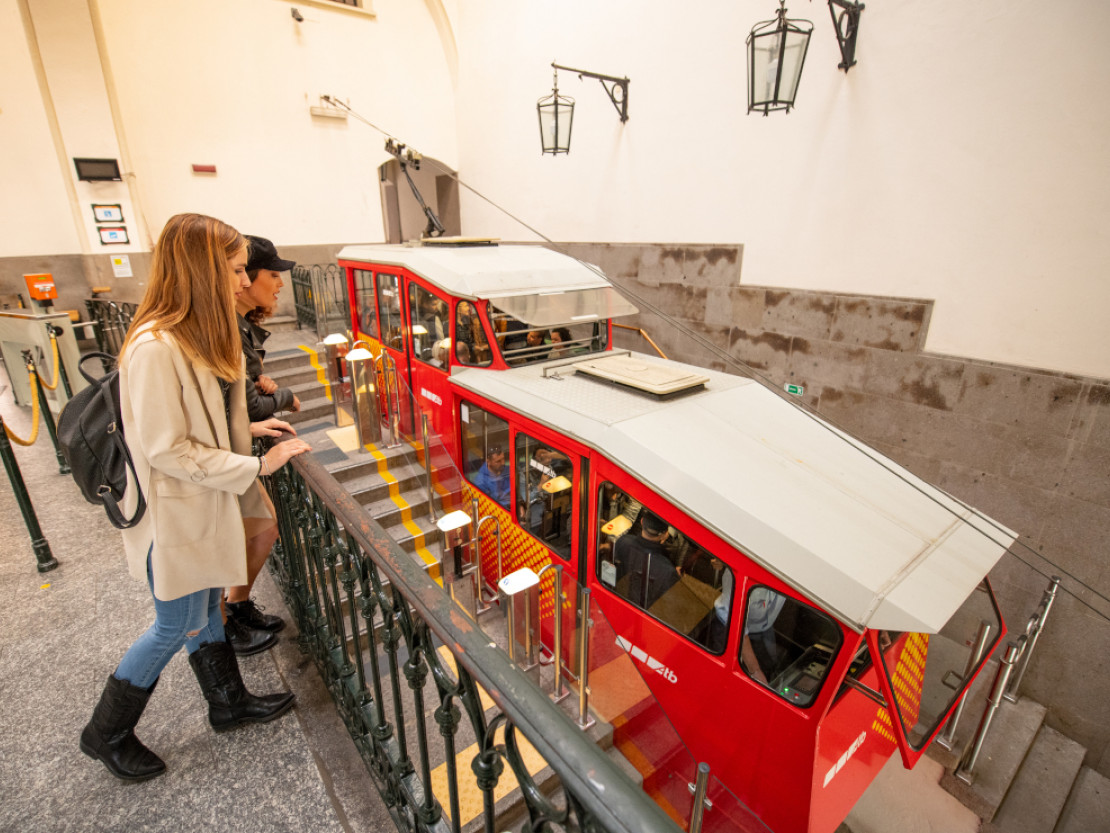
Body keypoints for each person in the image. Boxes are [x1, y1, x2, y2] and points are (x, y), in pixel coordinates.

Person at [79, 213, 311, 783]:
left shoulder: (183, 336)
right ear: (201, 270)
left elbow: (194, 423)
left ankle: (227, 703)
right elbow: (165, 448)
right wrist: (255, 463)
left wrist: (245, 433)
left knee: (206, 607)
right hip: (175, 512)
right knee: (175, 622)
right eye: (234, 269)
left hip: (200, 501)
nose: (242, 281)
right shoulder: (157, 346)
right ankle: (105, 731)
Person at [224, 234, 301, 654]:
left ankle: (236, 607)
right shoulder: (224, 329)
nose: (280, 284)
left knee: (263, 528)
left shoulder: (240, 328)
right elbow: (247, 404)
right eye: (273, 274)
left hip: (231, 448)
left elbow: (243, 397)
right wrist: (281, 398)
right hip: (217, 459)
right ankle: (226, 620)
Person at [612, 512, 679, 609]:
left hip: (617, 603)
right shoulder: (668, 571)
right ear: (665, 535)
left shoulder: (623, 541)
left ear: (642, 521)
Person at [740, 586, 786, 685]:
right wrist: (755, 671)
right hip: (736, 630)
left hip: (765, 628)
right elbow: (730, 619)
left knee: (773, 665)